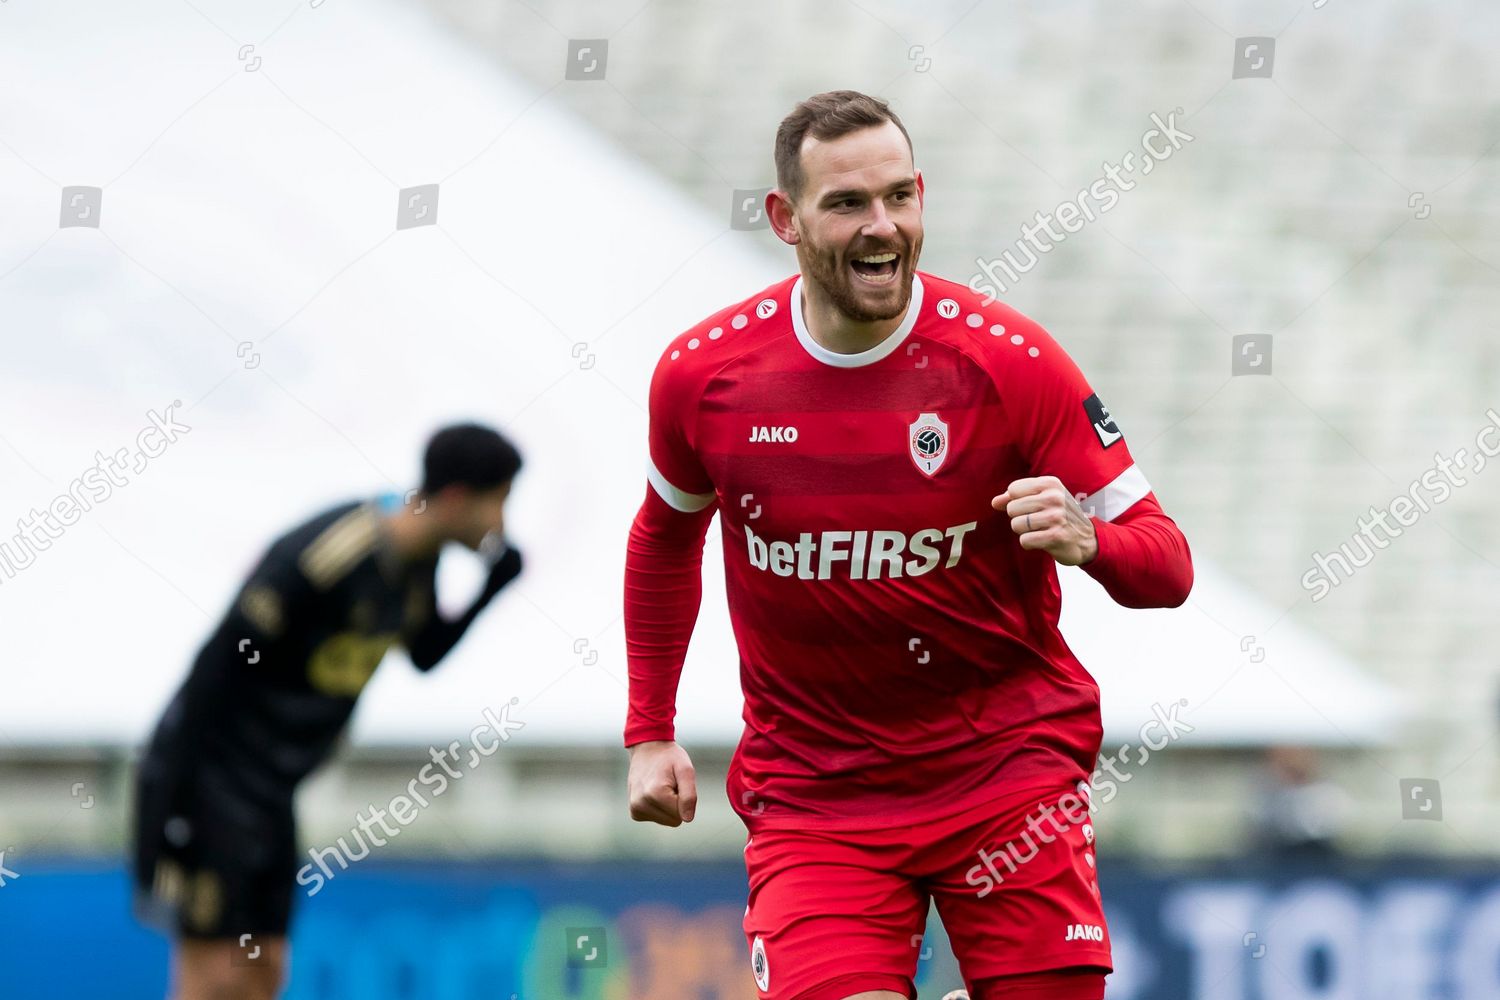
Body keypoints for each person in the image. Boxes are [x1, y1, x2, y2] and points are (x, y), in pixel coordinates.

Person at [622, 90, 1193, 1000]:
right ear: (786, 218)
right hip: (817, 795)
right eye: (847, 204)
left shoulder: (1010, 362)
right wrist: (649, 731)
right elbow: (663, 538)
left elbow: (1169, 565)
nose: (880, 226)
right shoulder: (705, 376)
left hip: (1006, 770)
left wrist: (1092, 542)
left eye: (899, 197)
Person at [132, 422, 523, 1000]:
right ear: (457, 499)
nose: (500, 525)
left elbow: (422, 653)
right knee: (215, 974)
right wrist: (169, 806)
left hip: (272, 789)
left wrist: (489, 591)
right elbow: (216, 666)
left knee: (264, 967)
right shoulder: (330, 554)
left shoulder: (419, 561)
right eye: (498, 503)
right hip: (214, 780)